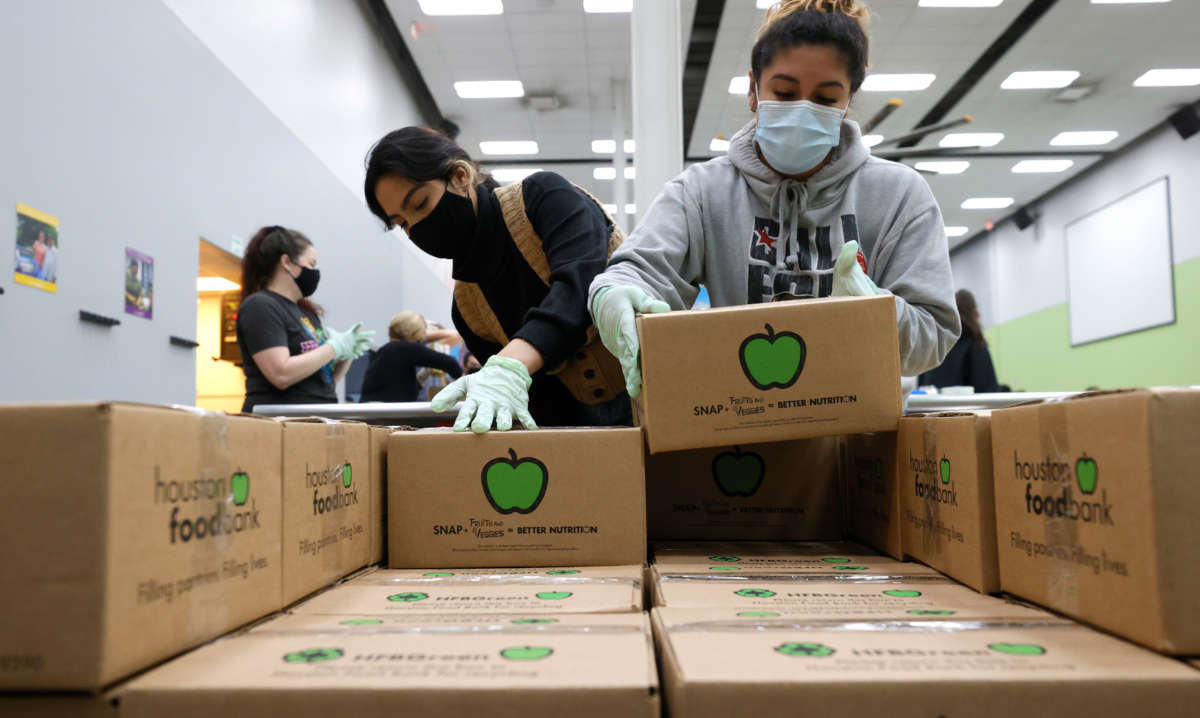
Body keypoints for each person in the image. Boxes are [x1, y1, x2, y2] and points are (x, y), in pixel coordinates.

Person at [588, 0, 960, 397]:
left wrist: (873, 315)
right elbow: (640, 272)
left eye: (825, 99)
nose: (802, 110)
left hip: (866, 440)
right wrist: (613, 296)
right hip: (744, 433)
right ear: (753, 89)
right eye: (784, 93)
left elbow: (934, 333)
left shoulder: (900, 195)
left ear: (849, 100)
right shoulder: (701, 193)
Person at [364, 127, 628, 432]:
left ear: (461, 176)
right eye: (403, 224)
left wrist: (511, 364)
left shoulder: (543, 198)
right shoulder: (467, 308)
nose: (417, 227)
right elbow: (539, 403)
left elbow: (580, 287)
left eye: (420, 204)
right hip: (582, 434)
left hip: (652, 391)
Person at [235, 225, 374, 412]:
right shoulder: (260, 306)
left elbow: (324, 382)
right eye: (311, 264)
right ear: (286, 262)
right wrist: (333, 348)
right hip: (280, 421)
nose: (314, 271)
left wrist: (345, 356)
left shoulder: (306, 314)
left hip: (317, 416)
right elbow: (280, 374)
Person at [360, 310, 464, 402]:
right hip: (387, 414)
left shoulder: (384, 351)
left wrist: (424, 375)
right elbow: (449, 363)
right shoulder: (406, 348)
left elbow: (400, 387)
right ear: (416, 332)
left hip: (373, 411)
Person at [919, 289, 1002, 393]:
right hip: (962, 408)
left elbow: (921, 385)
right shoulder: (975, 344)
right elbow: (988, 390)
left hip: (930, 407)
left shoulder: (934, 343)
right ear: (975, 314)